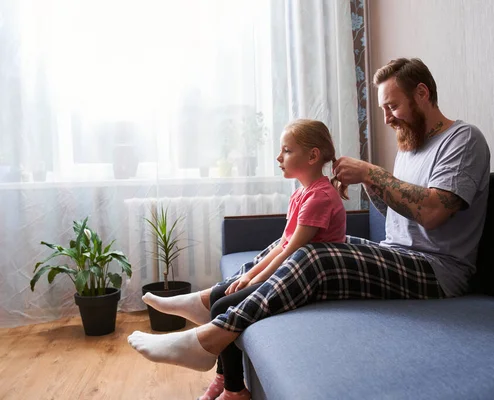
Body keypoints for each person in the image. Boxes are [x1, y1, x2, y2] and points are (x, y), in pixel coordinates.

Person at [128, 57, 490, 397]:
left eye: (392, 106)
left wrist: (372, 173)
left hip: (438, 271)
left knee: (312, 255)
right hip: (394, 254)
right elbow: (400, 213)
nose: (387, 118)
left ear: (422, 94)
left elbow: (432, 212)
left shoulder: (463, 140)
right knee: (290, 241)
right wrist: (371, 186)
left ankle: (211, 337)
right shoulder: (411, 147)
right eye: (383, 109)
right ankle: (209, 298)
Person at [130, 119, 349, 400]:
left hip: (308, 281)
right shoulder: (301, 195)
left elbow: (293, 252)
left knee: (224, 305)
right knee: (223, 297)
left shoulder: (320, 197)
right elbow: (280, 246)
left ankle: (234, 390)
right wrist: (248, 276)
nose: (279, 158)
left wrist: (254, 279)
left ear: (313, 156)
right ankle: (224, 376)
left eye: (287, 151)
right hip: (291, 270)